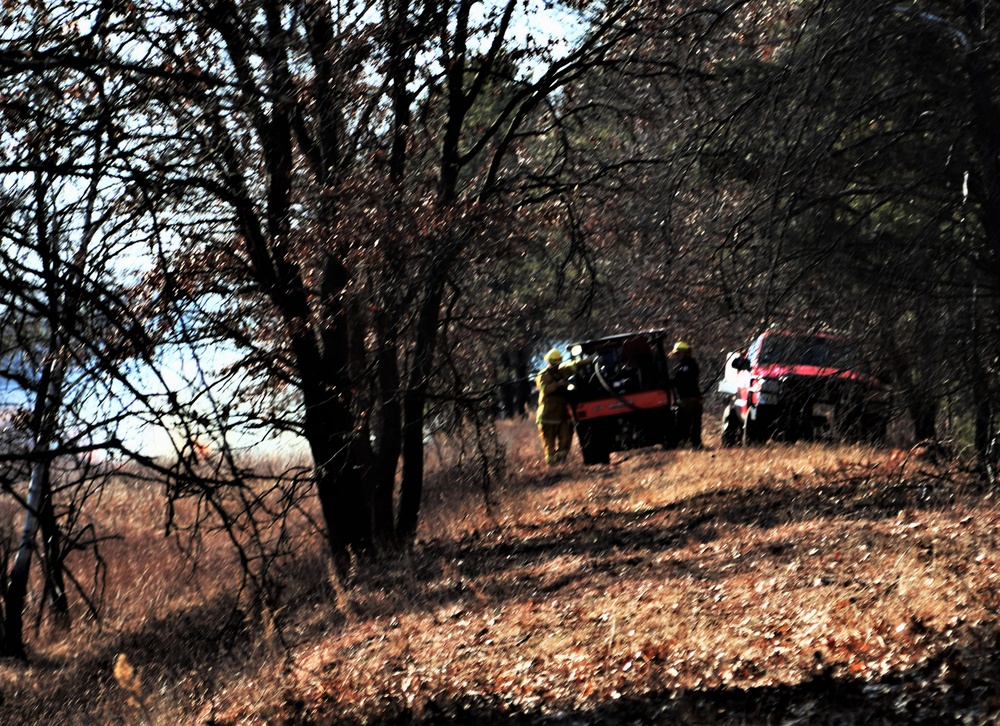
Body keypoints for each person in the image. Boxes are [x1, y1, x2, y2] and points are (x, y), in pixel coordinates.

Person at [535, 348, 576, 465]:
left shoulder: (562, 372)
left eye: (558, 363)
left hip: (562, 415)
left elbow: (574, 366)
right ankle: (552, 467)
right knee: (549, 445)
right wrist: (559, 384)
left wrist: (590, 359)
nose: (557, 365)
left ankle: (561, 462)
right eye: (554, 363)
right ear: (550, 362)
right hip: (547, 416)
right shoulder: (542, 375)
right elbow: (546, 389)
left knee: (566, 439)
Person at [671, 340, 704, 449]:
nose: (676, 356)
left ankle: (695, 444)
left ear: (684, 352)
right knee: (686, 421)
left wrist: (674, 380)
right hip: (686, 398)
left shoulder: (690, 364)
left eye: (678, 353)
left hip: (691, 398)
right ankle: (688, 443)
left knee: (692, 421)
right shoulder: (681, 365)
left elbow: (684, 378)